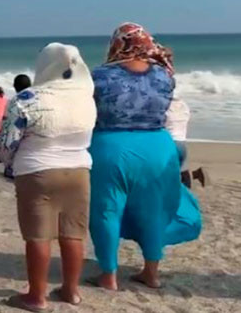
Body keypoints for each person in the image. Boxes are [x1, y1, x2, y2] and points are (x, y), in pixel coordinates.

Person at [89, 23, 202, 291]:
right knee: (155, 209)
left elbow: (89, 112)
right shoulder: (164, 75)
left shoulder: (98, 75)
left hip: (109, 146)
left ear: (117, 44)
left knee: (106, 210)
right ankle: (151, 273)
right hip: (157, 147)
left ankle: (108, 275)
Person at [0, 44, 96, 311]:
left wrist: (9, 165)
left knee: (38, 236)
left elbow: (7, 145)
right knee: (73, 234)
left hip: (37, 170)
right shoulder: (86, 97)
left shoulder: (26, 98)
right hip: (79, 170)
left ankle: (36, 297)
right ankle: (71, 291)